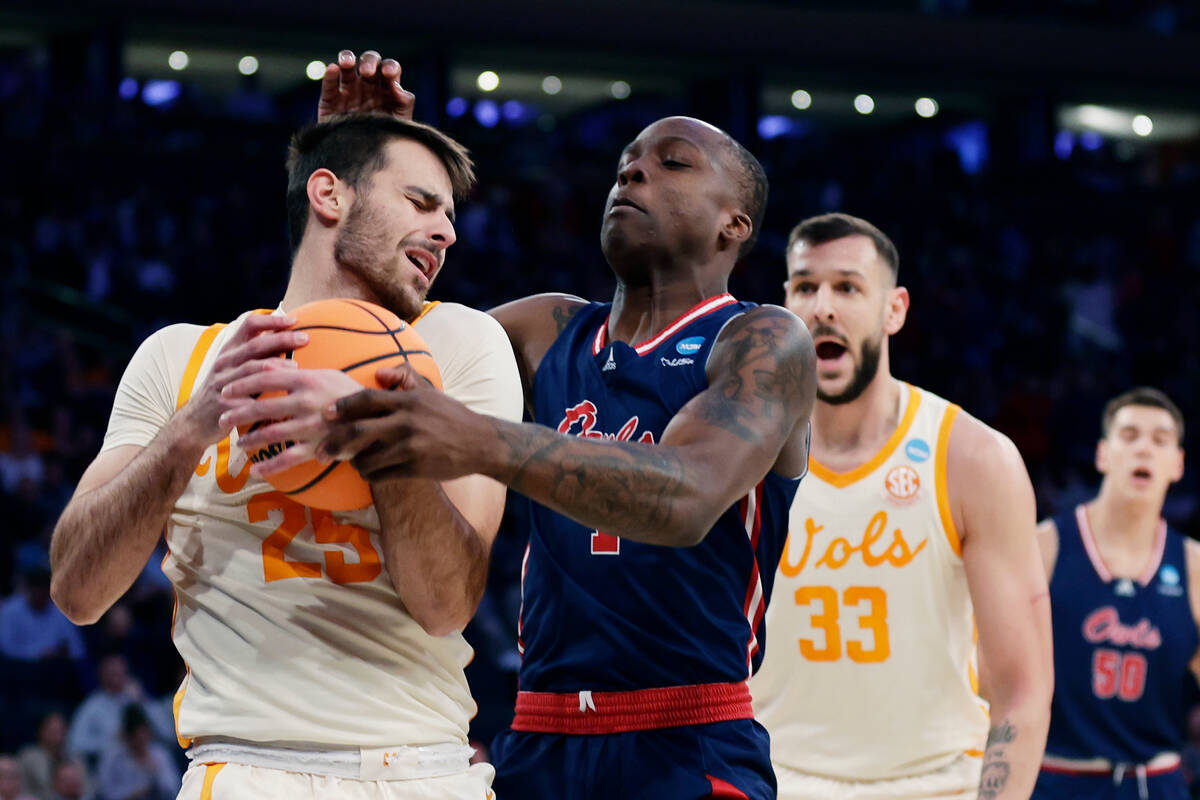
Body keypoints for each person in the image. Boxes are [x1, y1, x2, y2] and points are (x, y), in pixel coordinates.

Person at [241, 52, 816, 800]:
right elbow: (358, 335)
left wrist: (475, 437)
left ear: (734, 223)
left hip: (687, 736)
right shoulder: (546, 330)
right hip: (537, 739)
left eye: (671, 163)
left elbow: (687, 498)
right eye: (624, 165)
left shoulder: (763, 340)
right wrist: (364, 182)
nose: (633, 175)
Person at [49, 106, 523, 798]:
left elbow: (446, 604)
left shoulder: (459, 345)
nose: (447, 232)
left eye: (449, 215)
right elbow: (77, 592)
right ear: (329, 194)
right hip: (247, 767)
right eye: (421, 202)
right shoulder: (184, 358)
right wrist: (189, 431)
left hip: (422, 766)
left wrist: (375, 429)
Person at [747, 213, 1054, 799]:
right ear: (785, 303)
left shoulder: (973, 458)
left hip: (938, 786)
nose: (824, 307)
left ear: (895, 309)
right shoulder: (738, 452)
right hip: (773, 780)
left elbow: (1023, 689)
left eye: (848, 287)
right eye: (806, 287)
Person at [1033, 388, 1194, 800]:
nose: (1143, 448)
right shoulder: (1045, 546)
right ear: (1103, 454)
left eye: (1160, 440)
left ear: (1177, 464)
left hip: (1155, 781)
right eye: (1130, 435)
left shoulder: (1194, 566)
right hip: (1054, 773)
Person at [95, 705, 180, 800]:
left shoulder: (159, 754)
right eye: (137, 739)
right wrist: (136, 792)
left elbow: (173, 789)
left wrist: (156, 771)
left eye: (144, 737)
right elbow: (106, 793)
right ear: (127, 737)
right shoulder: (112, 758)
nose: (141, 743)